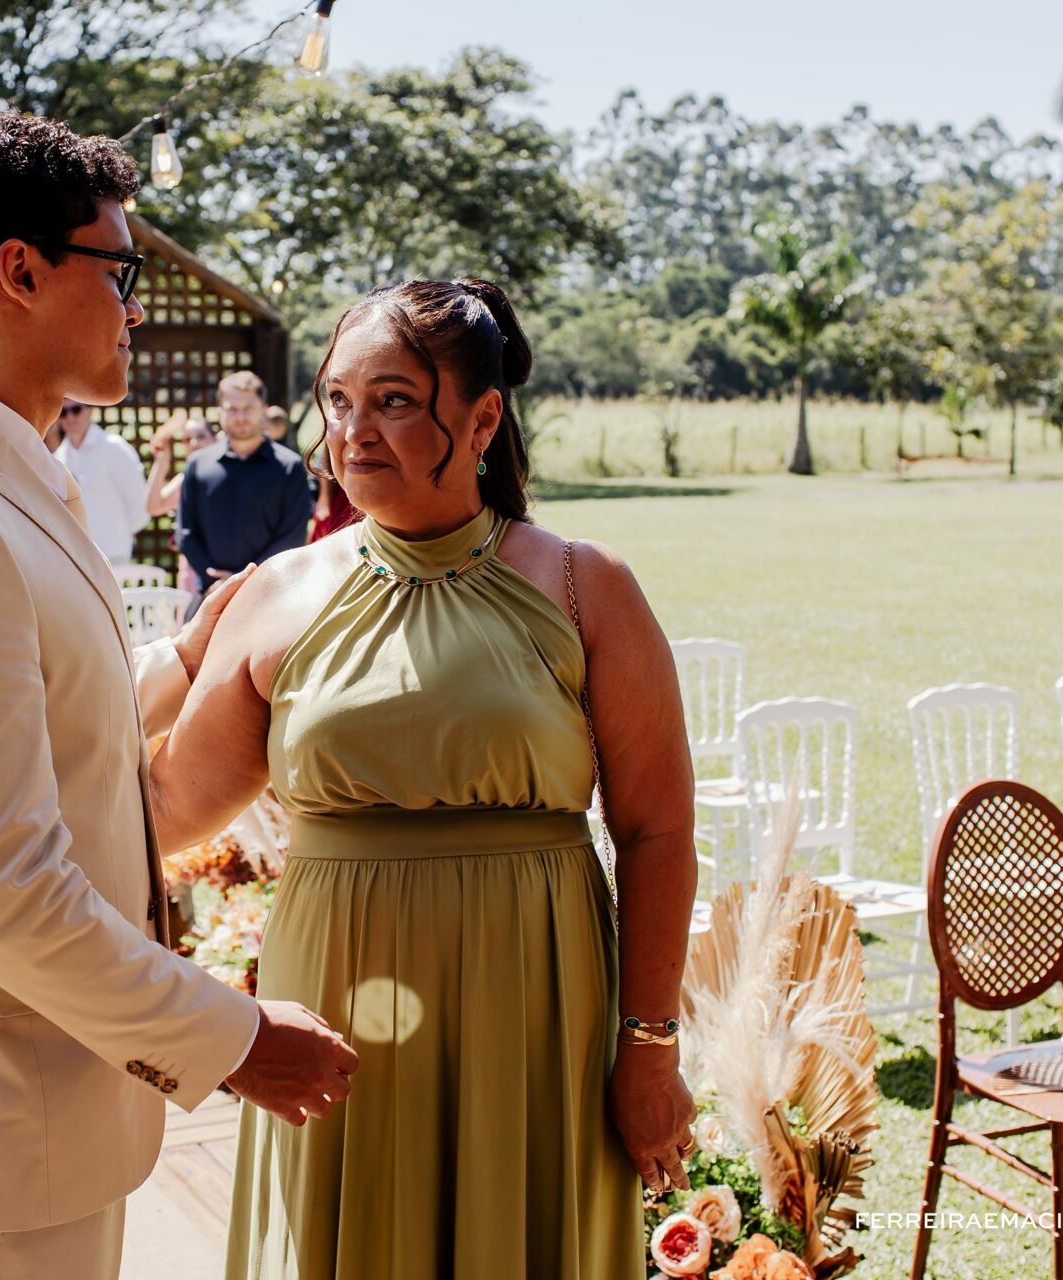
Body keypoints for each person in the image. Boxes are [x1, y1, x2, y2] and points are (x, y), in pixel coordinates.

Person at [0, 112, 356, 1280]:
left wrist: (190, 658)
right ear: (19, 270)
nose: (134, 309)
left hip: (23, 1106)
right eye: (119, 271)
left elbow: (38, 716)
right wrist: (234, 1035)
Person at [148, 279, 698, 1278]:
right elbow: (164, 809)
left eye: (394, 400)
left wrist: (649, 1045)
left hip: (538, 1011)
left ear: (482, 420)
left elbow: (656, 832)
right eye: (337, 400)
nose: (353, 431)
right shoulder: (276, 595)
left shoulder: (585, 586)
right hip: (335, 1010)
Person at [176, 370, 311, 613]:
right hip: (209, 596)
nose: (240, 416)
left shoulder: (290, 468)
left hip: (270, 602)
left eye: (248, 408)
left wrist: (243, 582)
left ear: (264, 410)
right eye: (232, 409)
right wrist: (215, 581)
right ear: (220, 412)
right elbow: (186, 533)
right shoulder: (197, 465)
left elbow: (292, 537)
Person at [54, 398, 151, 564]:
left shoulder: (113, 447)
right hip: (76, 557)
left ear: (90, 410)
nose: (69, 417)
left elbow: (139, 502)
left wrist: (122, 535)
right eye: (63, 412)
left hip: (114, 554)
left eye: (76, 410)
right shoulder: (59, 457)